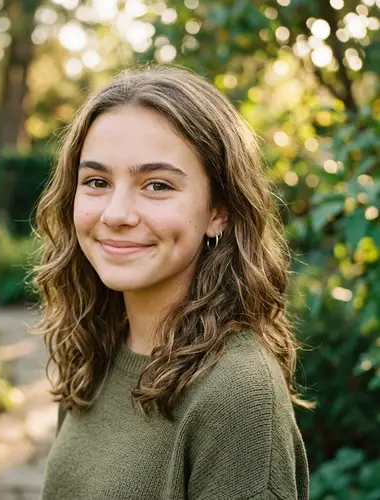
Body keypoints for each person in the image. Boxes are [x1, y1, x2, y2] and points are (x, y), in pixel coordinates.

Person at [33, 65, 311, 500]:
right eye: (97, 182)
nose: (116, 213)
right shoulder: (93, 348)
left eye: (157, 185)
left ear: (218, 210)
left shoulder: (236, 394)